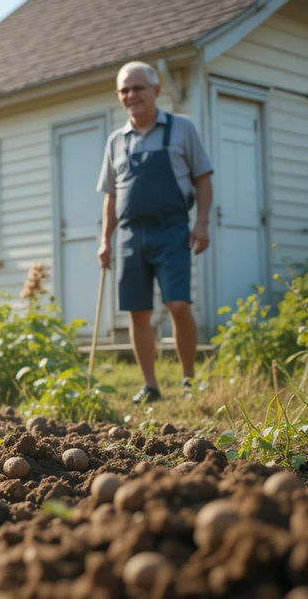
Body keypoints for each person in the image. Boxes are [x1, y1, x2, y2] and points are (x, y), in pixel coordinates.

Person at [96, 61, 213, 404]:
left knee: (177, 303)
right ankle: (151, 386)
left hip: (172, 230)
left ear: (156, 91)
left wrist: (202, 223)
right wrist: (105, 240)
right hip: (130, 235)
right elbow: (111, 196)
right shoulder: (116, 141)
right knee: (137, 311)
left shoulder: (182, 129)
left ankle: (189, 379)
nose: (131, 95)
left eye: (138, 88)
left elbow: (203, 178)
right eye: (124, 90)